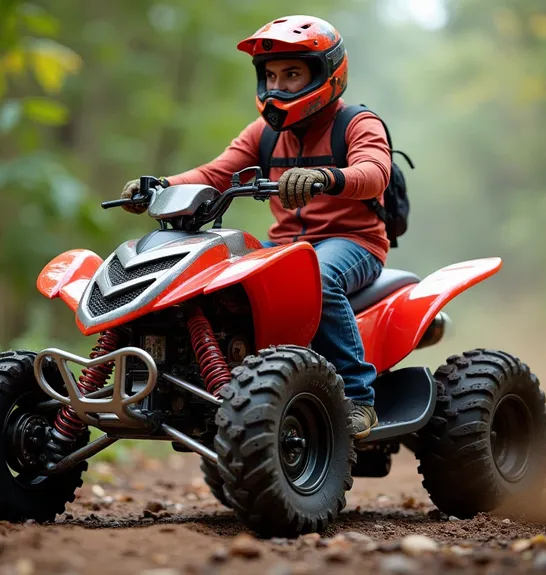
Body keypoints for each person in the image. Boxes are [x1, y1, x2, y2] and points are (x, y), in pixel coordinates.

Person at [120, 15, 391, 442]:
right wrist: (160, 186)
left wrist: (326, 178)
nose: (278, 85)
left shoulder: (357, 123)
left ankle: (358, 399)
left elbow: (375, 172)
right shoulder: (263, 134)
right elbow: (217, 173)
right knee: (212, 272)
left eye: (292, 73)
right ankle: (220, 382)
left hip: (353, 243)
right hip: (287, 243)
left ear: (325, 73)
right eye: (271, 75)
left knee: (315, 276)